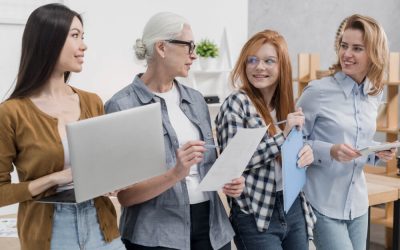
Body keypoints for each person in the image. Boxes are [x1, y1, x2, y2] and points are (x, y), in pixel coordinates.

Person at [105, 12, 244, 250]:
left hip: (211, 229)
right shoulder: (121, 106)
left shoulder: (196, 100)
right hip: (155, 236)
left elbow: (207, 166)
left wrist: (230, 180)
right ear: (161, 47)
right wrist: (175, 173)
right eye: (189, 46)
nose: (194, 54)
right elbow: (126, 196)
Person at [0, 4, 124, 250]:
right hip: (52, 234)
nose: (84, 46)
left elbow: (102, 164)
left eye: (83, 36)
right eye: (75, 36)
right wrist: (56, 178)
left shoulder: (92, 101)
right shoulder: (10, 113)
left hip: (102, 226)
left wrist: (114, 178)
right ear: (49, 41)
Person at [297, 14, 396, 250]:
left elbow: (356, 141)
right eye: (344, 46)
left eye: (357, 48)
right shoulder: (317, 91)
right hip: (322, 202)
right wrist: (329, 150)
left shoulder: (374, 93)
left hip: (358, 204)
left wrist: (375, 153)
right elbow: (292, 144)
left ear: (374, 53)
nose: (346, 54)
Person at [215, 29, 316, 250]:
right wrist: (283, 137)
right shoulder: (236, 104)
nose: (259, 67)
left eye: (269, 61)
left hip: (293, 206)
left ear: (282, 67)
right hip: (256, 214)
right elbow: (233, 163)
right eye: (252, 60)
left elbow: (294, 151)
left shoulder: (287, 105)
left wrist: (306, 152)